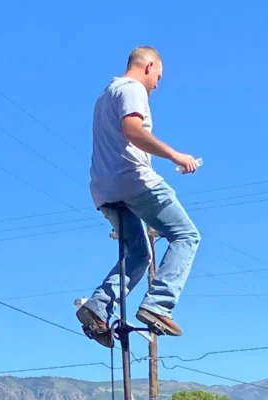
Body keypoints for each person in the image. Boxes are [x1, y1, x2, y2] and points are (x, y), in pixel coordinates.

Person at [77, 46, 201, 345]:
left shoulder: (105, 95)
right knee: (186, 236)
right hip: (134, 180)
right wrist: (175, 155)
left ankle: (98, 307)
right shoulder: (132, 89)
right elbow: (133, 130)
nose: (158, 83)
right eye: (159, 75)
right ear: (148, 66)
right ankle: (158, 305)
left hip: (105, 188)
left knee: (138, 255)